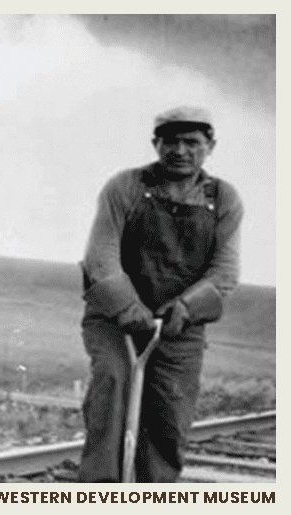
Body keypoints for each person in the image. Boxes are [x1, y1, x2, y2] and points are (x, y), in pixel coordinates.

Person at [78, 106, 243, 482]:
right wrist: (128, 308)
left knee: (170, 411)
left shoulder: (223, 198)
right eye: (171, 141)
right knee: (113, 387)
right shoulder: (126, 186)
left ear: (210, 146)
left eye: (192, 142)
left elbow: (225, 271)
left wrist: (186, 307)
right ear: (156, 143)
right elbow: (100, 258)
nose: (181, 150)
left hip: (180, 327)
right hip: (115, 320)